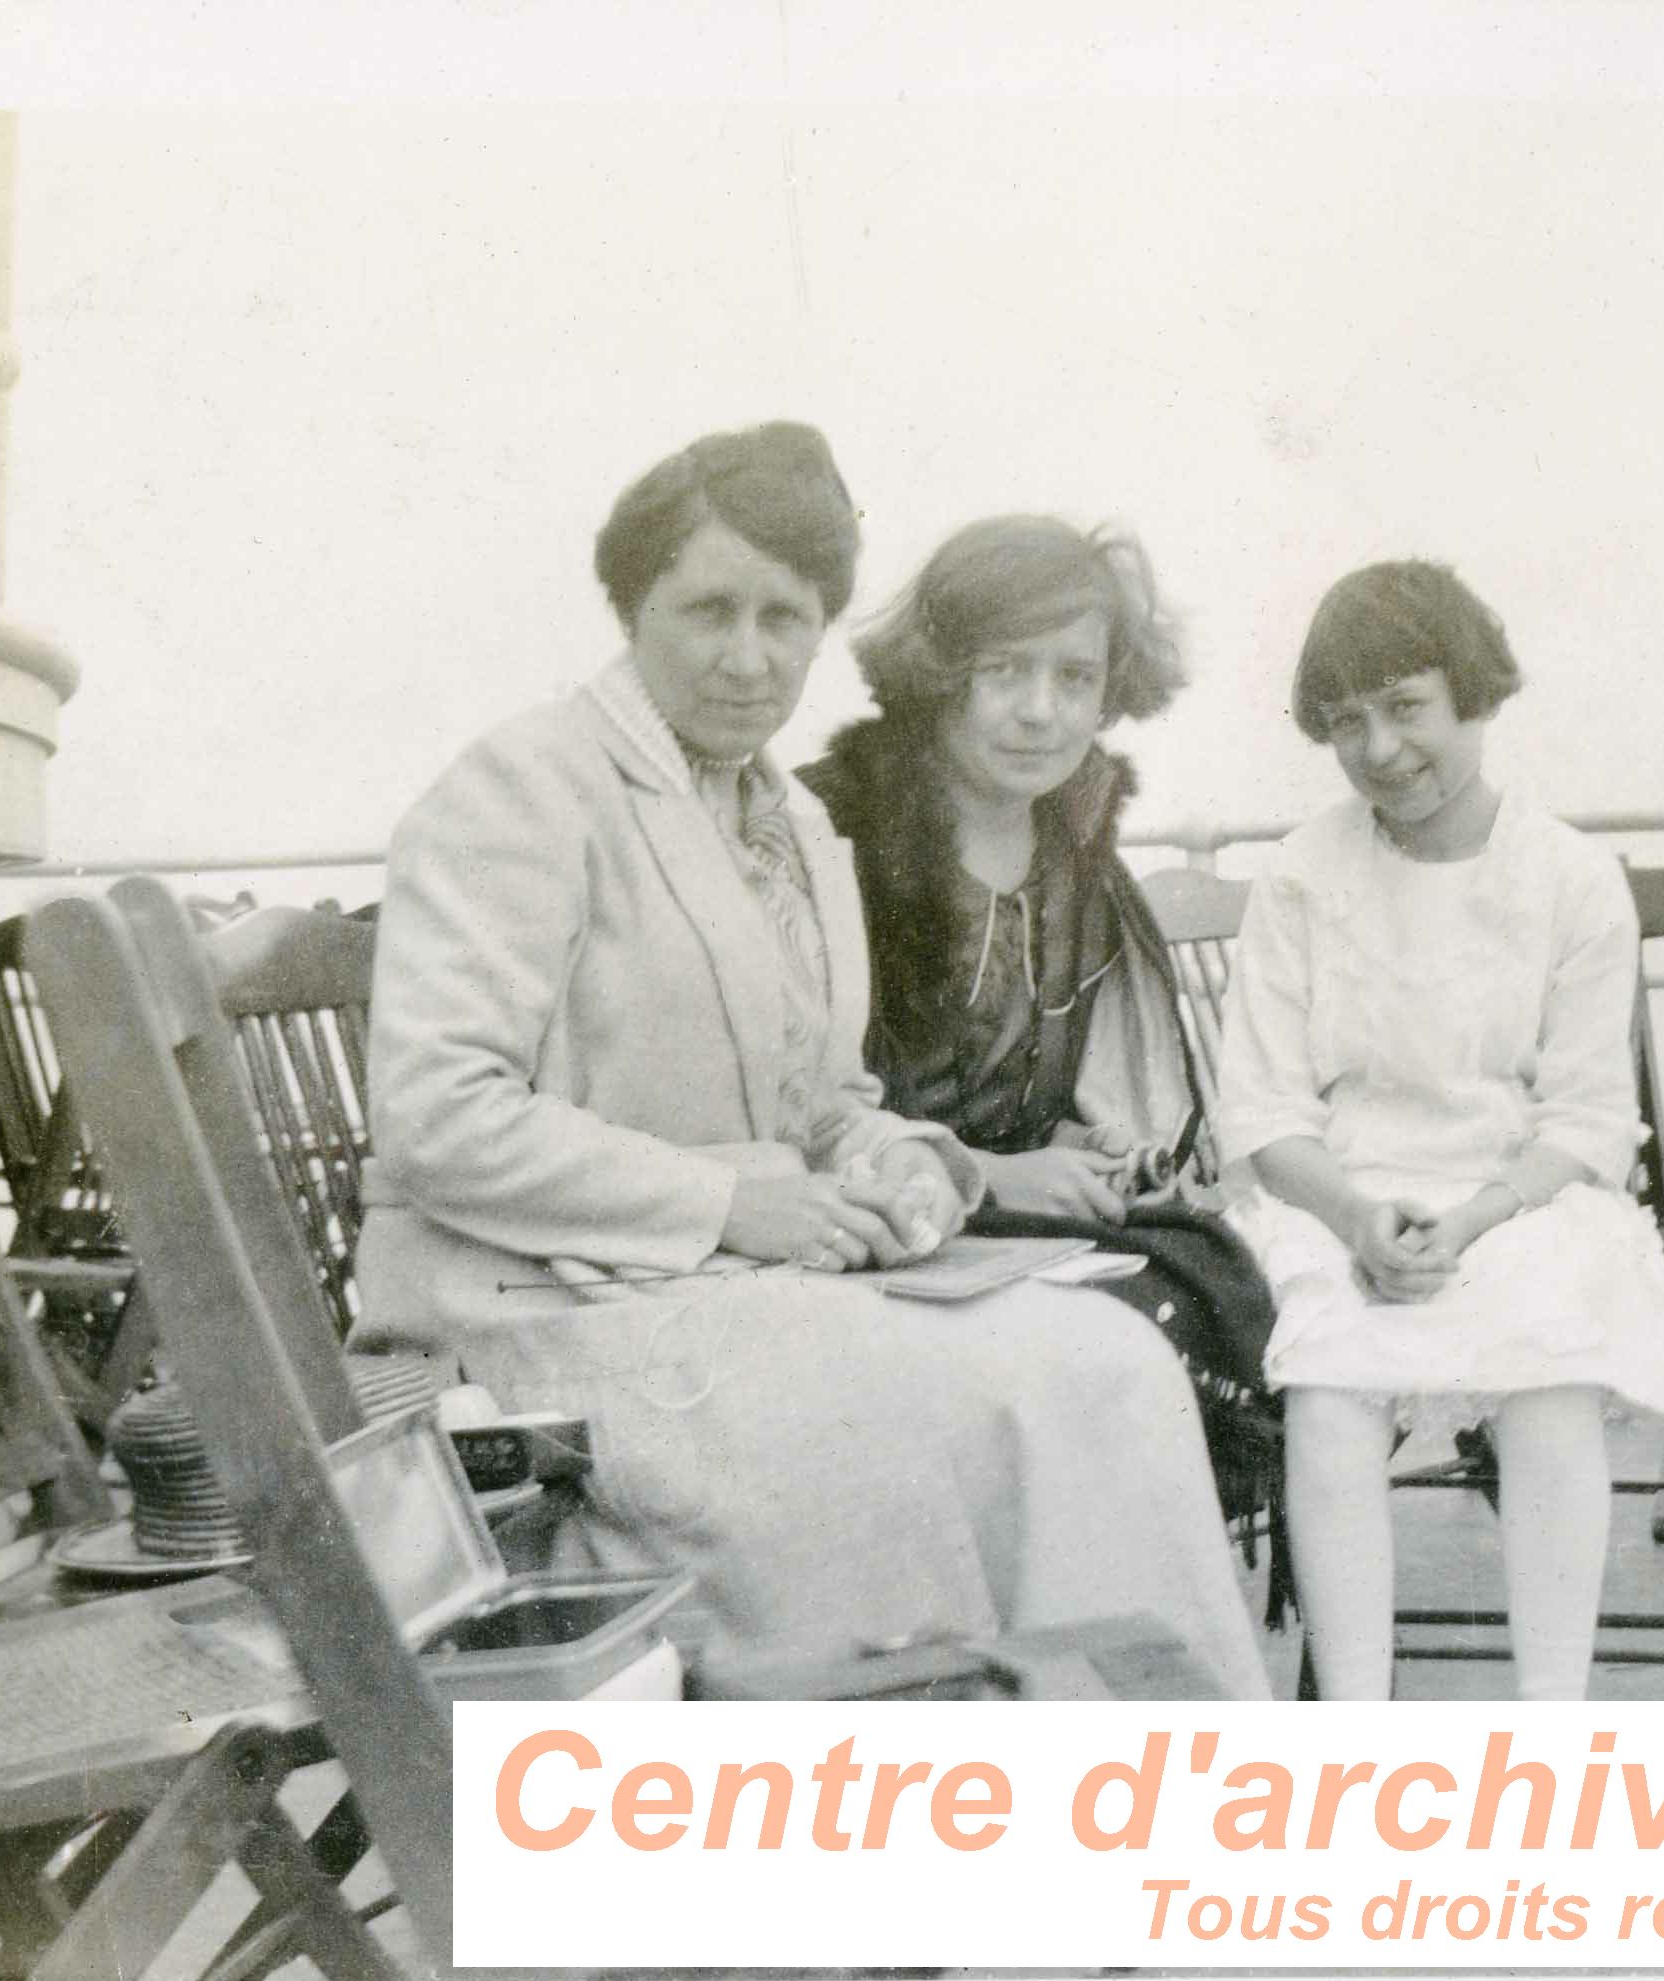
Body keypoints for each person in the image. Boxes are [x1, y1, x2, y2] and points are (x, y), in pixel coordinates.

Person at [346, 424, 1269, 1697]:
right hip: (528, 1302)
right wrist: (738, 1201)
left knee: (1107, 1368)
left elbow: (825, 1097)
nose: (747, 656)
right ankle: (919, 1777)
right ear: (634, 606)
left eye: (786, 618)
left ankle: (1158, 1791)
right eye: (708, 609)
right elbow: (437, 1115)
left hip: (721, 1286)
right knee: (888, 1417)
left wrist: (906, 1167)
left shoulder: (787, 824)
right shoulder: (527, 785)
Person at [1217, 560, 1664, 1702]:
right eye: (1347, 722)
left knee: (1547, 1375)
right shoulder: (1302, 876)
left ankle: (1551, 1727)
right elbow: (1264, 1108)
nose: (1380, 749)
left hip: (1520, 1195)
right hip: (1337, 1192)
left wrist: (1473, 1220)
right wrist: (1355, 1215)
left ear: (1472, 694)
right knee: (1329, 1391)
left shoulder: (1571, 878)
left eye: (1406, 707)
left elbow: (1583, 1121)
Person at [799, 514, 1282, 1549]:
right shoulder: (835, 832)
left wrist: (1073, 1139)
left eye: (1075, 678)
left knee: (1223, 1288)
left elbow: (1049, 1081)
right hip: (851, 1237)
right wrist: (991, 1174)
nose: (1039, 712)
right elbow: (783, 1098)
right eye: (1004, 671)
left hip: (1004, 1242)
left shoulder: (1074, 850)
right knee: (1135, 1337)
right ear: (939, 672)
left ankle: (1117, 1640)